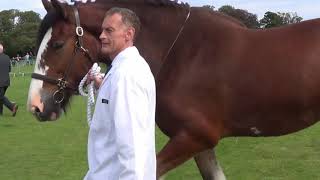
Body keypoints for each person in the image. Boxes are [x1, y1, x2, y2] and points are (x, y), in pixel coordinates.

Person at [84, 7, 156, 180]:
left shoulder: (126, 76)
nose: (101, 35)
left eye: (109, 30)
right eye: (102, 30)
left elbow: (132, 148)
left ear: (128, 34)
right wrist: (102, 84)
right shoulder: (123, 70)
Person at [0, 43, 18, 116]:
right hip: (6, 81)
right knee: (1, 97)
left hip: (0, 82)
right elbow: (9, 69)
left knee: (0, 97)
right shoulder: (7, 57)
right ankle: (0, 112)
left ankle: (12, 106)